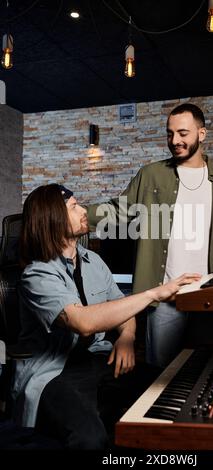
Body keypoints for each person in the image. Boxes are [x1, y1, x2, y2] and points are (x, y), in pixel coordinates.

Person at [87, 103, 213, 369]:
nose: (175, 141)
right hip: (164, 301)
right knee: (159, 374)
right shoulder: (150, 175)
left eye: (183, 133)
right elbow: (119, 211)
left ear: (202, 133)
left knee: (205, 370)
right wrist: (77, 216)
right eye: (170, 134)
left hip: (209, 298)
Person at [12, 183, 199, 450]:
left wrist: (127, 336)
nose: (83, 210)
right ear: (52, 218)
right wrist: (154, 294)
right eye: (74, 207)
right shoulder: (36, 275)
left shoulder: (93, 260)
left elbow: (121, 306)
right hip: (54, 373)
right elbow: (84, 323)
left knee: (168, 392)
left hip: (98, 360)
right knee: (90, 440)